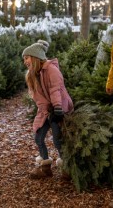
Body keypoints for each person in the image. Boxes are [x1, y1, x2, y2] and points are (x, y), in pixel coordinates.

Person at [22, 40, 74, 179]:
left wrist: (57, 108)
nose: (25, 62)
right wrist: (45, 111)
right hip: (45, 110)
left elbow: (55, 89)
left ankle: (66, 167)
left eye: (26, 58)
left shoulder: (52, 70)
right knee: (39, 136)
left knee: (58, 140)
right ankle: (45, 168)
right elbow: (38, 97)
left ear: (35, 57)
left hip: (58, 108)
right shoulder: (31, 75)